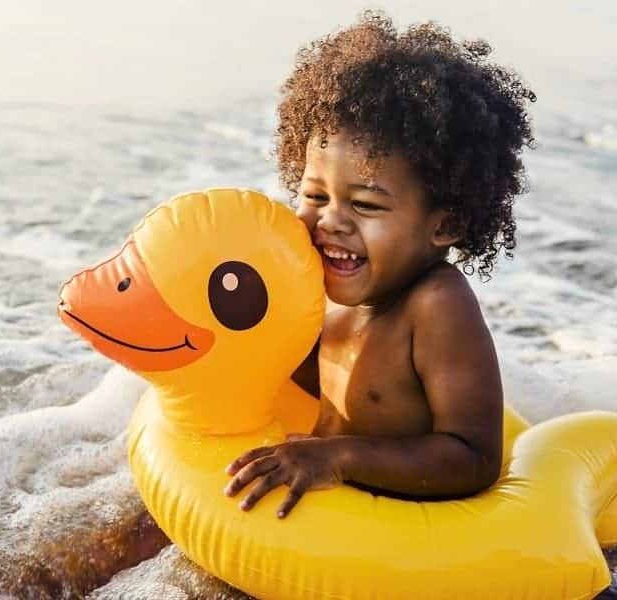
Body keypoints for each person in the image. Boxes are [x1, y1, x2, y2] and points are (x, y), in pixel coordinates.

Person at [224, 11, 536, 518]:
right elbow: (311, 380)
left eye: (365, 205)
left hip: (401, 541)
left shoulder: (436, 307)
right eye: (314, 194)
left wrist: (338, 456)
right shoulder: (318, 285)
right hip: (327, 511)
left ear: (445, 224)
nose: (331, 222)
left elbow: (474, 456)